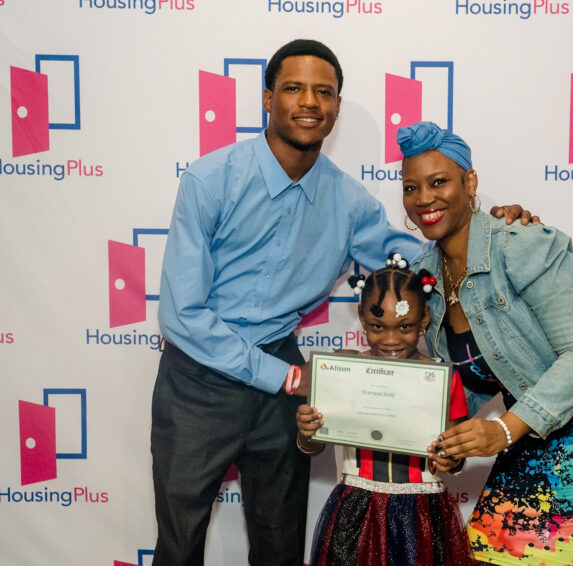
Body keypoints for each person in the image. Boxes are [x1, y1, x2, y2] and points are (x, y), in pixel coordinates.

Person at [151, 40, 533, 566]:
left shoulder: (349, 203)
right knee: (179, 545)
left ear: (335, 105)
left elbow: (428, 259)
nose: (309, 102)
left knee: (279, 543)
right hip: (199, 380)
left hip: (283, 380)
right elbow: (181, 314)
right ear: (267, 98)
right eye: (293, 88)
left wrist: (494, 226)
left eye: (323, 92)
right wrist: (287, 377)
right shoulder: (209, 180)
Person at [399, 121, 573, 566]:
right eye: (411, 187)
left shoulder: (521, 244)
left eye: (439, 181)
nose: (424, 198)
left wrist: (502, 430)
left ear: (471, 182)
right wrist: (453, 443)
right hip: (534, 427)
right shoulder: (425, 277)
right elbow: (480, 377)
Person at [296, 256, 476, 566]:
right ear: (363, 320)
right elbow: (313, 445)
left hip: (422, 514)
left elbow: (456, 457)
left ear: (424, 319)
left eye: (404, 326)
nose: (391, 339)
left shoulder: (444, 378)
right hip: (356, 509)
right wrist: (307, 433)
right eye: (378, 327)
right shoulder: (343, 370)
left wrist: (451, 457)